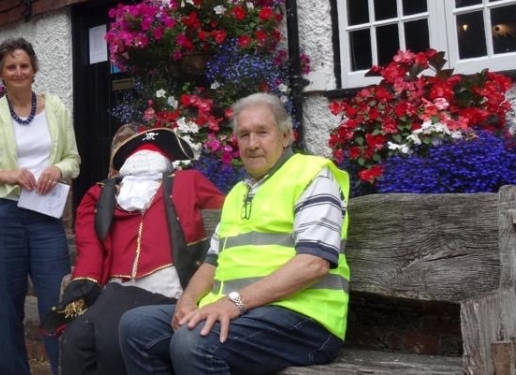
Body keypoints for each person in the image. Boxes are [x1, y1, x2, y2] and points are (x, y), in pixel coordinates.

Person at [118, 93, 350, 375]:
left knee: (194, 342)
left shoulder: (311, 176)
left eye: (262, 132)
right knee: (137, 327)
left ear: (286, 136)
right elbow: (212, 262)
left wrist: (234, 303)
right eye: (244, 135)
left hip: (304, 318)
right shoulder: (239, 193)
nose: (252, 144)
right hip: (247, 312)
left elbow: (314, 263)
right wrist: (187, 300)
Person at [43, 125, 225, 375]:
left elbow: (227, 221)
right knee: (76, 337)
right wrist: (81, 292)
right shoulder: (101, 193)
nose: (143, 161)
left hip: (170, 289)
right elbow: (90, 251)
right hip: (116, 288)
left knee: (111, 338)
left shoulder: (188, 182)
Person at [0, 37, 81, 375]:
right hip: (0, 218)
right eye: (11, 66)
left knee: (58, 303)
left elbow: (73, 159)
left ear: (34, 69)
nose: (18, 72)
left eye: (24, 65)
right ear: (0, 73)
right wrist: (7, 174)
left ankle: (66, 370)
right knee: (5, 308)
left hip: (44, 218)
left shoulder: (56, 109)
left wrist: (58, 169)